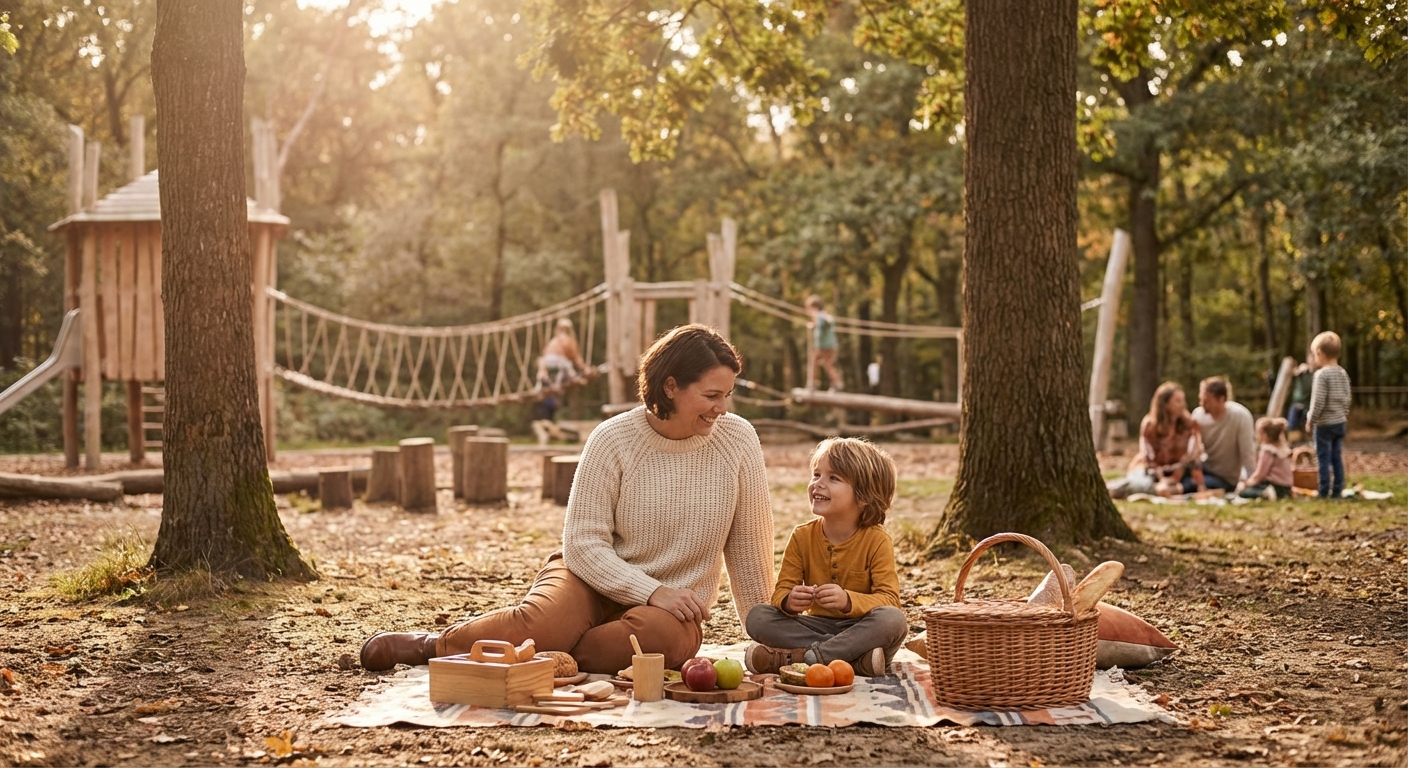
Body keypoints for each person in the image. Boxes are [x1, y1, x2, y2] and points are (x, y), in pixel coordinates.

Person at [360, 325, 775, 673]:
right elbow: (582, 543)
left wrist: (766, 636)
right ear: (670, 387)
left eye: (727, 395)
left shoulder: (737, 440)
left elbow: (749, 547)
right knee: (545, 622)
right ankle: (433, 646)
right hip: (589, 579)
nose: (722, 407)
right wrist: (650, 589)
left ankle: (530, 655)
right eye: (711, 395)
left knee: (659, 642)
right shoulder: (612, 439)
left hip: (667, 614)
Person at [743, 437, 906, 677]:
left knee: (893, 620)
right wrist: (789, 601)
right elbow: (781, 591)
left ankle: (800, 657)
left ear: (863, 496)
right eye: (816, 474)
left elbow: (889, 599)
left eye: (833, 478)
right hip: (815, 626)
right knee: (758, 617)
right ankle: (854, 659)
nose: (818, 484)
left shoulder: (877, 540)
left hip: (859, 627)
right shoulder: (801, 536)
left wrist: (848, 600)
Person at [1107, 382, 1205, 498]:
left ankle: (1165, 490)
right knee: (1142, 483)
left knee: (1194, 484)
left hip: (1181, 473)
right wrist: (1162, 479)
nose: (1183, 404)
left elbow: (1193, 455)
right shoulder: (1149, 425)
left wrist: (1175, 477)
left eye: (1183, 400)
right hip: (1151, 472)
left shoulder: (1190, 424)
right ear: (1165, 404)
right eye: (1177, 401)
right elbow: (1147, 456)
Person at [1307, 331, 1352, 500]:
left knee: (1323, 457)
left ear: (1319, 353)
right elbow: (1347, 397)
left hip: (1324, 424)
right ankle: (1338, 489)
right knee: (1336, 456)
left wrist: (1311, 418)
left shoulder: (1321, 375)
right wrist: (1342, 414)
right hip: (1340, 422)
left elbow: (1318, 401)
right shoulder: (1342, 373)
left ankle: (1324, 490)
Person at [1191, 376, 1257, 492]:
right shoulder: (1198, 415)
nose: (1202, 404)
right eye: (1201, 400)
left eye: (1207, 401)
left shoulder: (1240, 416)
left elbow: (1247, 453)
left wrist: (1253, 481)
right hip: (1205, 469)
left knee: (1190, 485)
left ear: (1221, 399)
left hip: (1225, 477)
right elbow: (1193, 449)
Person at [1237, 417, 1295, 500]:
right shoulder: (1281, 449)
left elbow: (1260, 475)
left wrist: (1246, 484)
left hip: (1275, 487)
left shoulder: (1268, 451)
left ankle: (1265, 494)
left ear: (1264, 435)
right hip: (1286, 488)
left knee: (1243, 493)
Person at [805, 295, 843, 391]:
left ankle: (813, 383)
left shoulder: (821, 316)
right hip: (827, 346)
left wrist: (816, 322)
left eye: (809, 308)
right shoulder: (820, 316)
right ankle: (836, 383)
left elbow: (824, 322)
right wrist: (813, 324)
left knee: (814, 362)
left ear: (815, 307)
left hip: (826, 346)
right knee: (827, 364)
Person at [536, 318, 587, 389]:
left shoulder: (553, 340)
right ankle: (574, 377)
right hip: (559, 362)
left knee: (544, 366)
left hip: (546, 362)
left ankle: (542, 379)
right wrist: (585, 368)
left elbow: (544, 355)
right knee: (567, 366)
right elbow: (576, 358)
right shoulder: (568, 340)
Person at [1286, 359, 1315, 435]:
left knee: (1308, 423)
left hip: (1309, 403)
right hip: (1297, 402)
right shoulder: (1303, 369)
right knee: (1292, 424)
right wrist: (1301, 369)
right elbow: (1295, 372)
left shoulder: (1317, 373)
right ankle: (1294, 440)